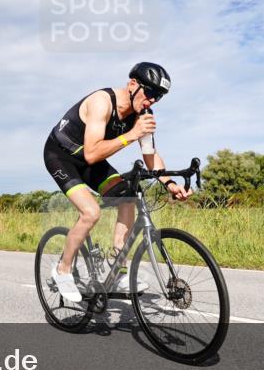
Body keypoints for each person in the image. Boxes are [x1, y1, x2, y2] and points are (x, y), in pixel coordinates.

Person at [43, 62, 192, 302]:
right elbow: (91, 154)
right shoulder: (101, 102)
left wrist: (170, 184)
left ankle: (117, 272)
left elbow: (151, 156)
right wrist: (132, 134)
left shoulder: (143, 115)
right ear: (132, 84)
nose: (152, 100)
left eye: (159, 97)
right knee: (91, 212)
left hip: (91, 160)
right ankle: (63, 269)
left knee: (128, 198)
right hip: (61, 156)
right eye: (150, 92)